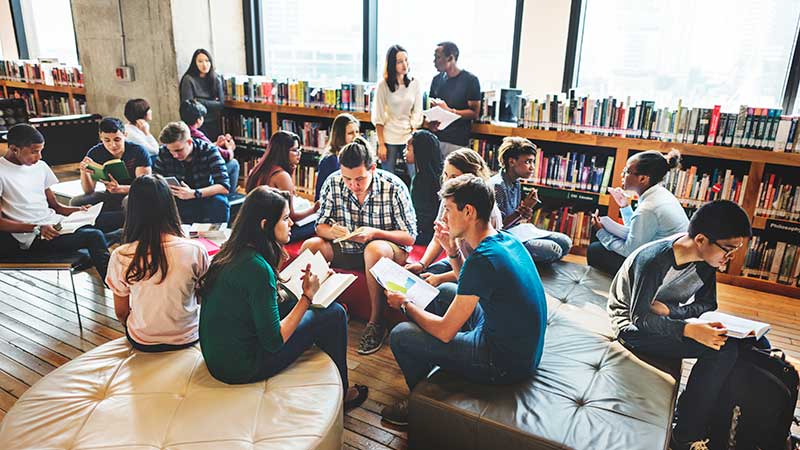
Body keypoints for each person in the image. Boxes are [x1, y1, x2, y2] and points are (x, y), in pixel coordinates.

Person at [381, 174, 547, 426]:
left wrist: (405, 304)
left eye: (447, 210)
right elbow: (466, 280)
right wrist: (451, 251)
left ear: (468, 211)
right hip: (521, 349)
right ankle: (441, 371)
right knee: (446, 290)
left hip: (503, 362)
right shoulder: (504, 239)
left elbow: (446, 331)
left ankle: (422, 404)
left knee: (401, 334)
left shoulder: (483, 259)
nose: (443, 218)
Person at [607, 200, 766, 450]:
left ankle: (729, 421)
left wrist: (673, 311)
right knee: (722, 351)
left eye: (736, 250)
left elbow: (707, 304)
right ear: (701, 240)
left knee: (754, 342)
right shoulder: (654, 261)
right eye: (728, 249)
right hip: (631, 327)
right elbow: (640, 318)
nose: (730, 257)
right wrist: (688, 329)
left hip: (666, 318)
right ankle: (685, 433)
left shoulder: (707, 260)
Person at [197, 186, 368, 409]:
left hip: (217, 358)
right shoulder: (257, 268)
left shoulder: (230, 251)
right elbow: (273, 341)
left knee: (296, 301)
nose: (292, 224)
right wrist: (307, 297)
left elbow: (259, 298)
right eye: (286, 218)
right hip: (242, 368)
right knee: (334, 313)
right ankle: (342, 394)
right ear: (265, 225)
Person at [301, 140, 417, 355]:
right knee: (311, 246)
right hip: (346, 248)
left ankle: (376, 322)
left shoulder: (393, 186)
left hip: (386, 250)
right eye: (347, 179)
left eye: (360, 179)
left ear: (373, 168)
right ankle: (310, 312)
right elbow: (320, 226)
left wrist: (374, 233)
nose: (353, 185)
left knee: (373, 249)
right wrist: (331, 231)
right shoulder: (333, 182)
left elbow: (409, 236)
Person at [106, 175, 208, 352]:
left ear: (132, 210)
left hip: (143, 339)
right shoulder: (196, 250)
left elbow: (121, 313)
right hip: (187, 335)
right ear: (170, 206)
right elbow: (202, 298)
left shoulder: (121, 255)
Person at [0, 124, 110, 280]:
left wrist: (78, 210)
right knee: (95, 236)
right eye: (34, 151)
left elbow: (56, 207)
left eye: (40, 151)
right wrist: (37, 227)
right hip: (35, 237)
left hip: (56, 224)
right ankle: (117, 288)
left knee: (110, 222)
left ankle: (117, 280)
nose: (39, 157)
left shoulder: (40, 167)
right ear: (14, 148)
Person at [405, 148, 503, 287]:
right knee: (423, 276)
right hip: (457, 258)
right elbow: (438, 237)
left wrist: (441, 278)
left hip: (477, 269)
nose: (447, 182)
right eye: (445, 175)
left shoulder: (488, 212)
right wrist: (422, 264)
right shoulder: (451, 198)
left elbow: (479, 269)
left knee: (440, 288)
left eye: (454, 177)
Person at [588, 149, 689, 275]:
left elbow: (630, 251)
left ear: (642, 178)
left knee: (595, 250)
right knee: (601, 240)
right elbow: (637, 231)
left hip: (658, 271)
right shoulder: (660, 193)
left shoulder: (648, 208)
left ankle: (616, 288)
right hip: (668, 260)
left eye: (627, 171)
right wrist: (624, 206)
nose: (622, 174)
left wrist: (601, 232)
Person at [488, 136, 572, 263]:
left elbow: (514, 219)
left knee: (565, 242)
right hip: (502, 238)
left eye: (533, 162)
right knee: (553, 250)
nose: (532, 167)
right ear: (511, 162)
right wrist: (520, 212)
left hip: (517, 232)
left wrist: (525, 211)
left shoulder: (516, 182)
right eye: (527, 162)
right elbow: (497, 228)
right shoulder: (498, 186)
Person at [72, 117, 153, 231]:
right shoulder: (95, 153)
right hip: (110, 194)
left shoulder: (138, 151)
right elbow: (88, 191)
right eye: (107, 140)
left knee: (127, 201)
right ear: (101, 137)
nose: (113, 145)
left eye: (117, 139)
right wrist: (83, 172)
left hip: (133, 194)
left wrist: (121, 189)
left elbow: (146, 187)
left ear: (125, 134)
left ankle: (123, 228)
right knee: (77, 201)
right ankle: (91, 229)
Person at [245, 130, 320, 242]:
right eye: (295, 150)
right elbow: (292, 217)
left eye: (300, 149)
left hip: (254, 226)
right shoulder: (282, 176)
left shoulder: (258, 168)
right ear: (283, 152)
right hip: (272, 231)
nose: (299, 153)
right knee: (319, 223)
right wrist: (314, 209)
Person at [154, 121, 230, 224]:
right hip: (177, 199)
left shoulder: (209, 150)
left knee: (220, 202)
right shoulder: (164, 152)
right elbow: (155, 180)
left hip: (204, 196)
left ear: (189, 142)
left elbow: (224, 187)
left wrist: (194, 193)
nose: (175, 155)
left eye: (178, 150)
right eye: (171, 151)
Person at [372, 45, 423, 178]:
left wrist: (413, 134)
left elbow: (417, 112)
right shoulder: (383, 85)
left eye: (406, 60)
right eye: (400, 61)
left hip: (409, 136)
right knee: (388, 178)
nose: (404, 64)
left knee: (415, 176)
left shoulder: (415, 83)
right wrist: (381, 144)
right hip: (389, 137)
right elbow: (378, 116)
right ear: (392, 64)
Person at [427, 42, 481, 156]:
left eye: (438, 57)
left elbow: (474, 113)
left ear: (450, 58)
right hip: (436, 139)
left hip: (457, 141)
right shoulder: (436, 80)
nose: (434, 61)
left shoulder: (470, 80)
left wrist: (450, 111)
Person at [179, 99, 240, 196]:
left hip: (188, 176)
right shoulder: (197, 134)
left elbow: (202, 148)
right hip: (203, 175)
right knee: (234, 164)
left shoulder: (181, 131)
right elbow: (226, 156)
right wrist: (230, 148)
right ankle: (230, 197)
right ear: (199, 120)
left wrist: (216, 144)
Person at [406, 130, 442, 245]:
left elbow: (420, 217)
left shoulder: (421, 181)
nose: (404, 152)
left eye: (408, 149)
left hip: (426, 235)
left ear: (419, 151)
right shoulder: (438, 174)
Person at [180, 48, 224, 140]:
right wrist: (212, 102)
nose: (204, 64)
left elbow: (220, 104)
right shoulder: (188, 79)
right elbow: (189, 107)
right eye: (200, 61)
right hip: (196, 124)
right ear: (194, 63)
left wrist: (199, 100)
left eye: (207, 61)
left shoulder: (216, 78)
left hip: (213, 121)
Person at [314, 113, 360, 201]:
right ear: (340, 135)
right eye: (350, 133)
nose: (356, 136)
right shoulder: (330, 160)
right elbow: (321, 193)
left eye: (357, 132)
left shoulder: (355, 155)